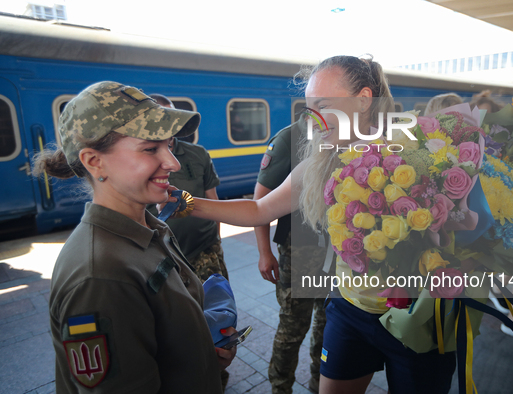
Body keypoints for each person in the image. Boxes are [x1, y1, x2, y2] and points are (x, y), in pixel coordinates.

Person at [168, 55, 457, 394]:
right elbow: (259, 209)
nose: (313, 118)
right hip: (351, 311)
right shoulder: (320, 163)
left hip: (417, 316)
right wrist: (184, 203)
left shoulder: (419, 155)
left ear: (364, 99)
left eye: (324, 105)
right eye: (309, 107)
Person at [35, 81, 236, 393]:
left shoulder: (149, 227)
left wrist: (202, 358)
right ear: (94, 161)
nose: (173, 162)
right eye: (150, 148)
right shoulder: (100, 276)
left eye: (169, 145)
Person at [254, 115, 327, 393]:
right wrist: (264, 252)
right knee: (293, 328)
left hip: (337, 253)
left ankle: (320, 382)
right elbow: (260, 201)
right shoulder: (290, 137)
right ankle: (280, 386)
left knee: (327, 324)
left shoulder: (348, 135)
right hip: (299, 252)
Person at [148, 94, 228, 283]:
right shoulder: (138, 163)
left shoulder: (198, 154)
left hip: (205, 249)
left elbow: (213, 199)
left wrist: (216, 239)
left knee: (215, 305)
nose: (172, 164)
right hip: (161, 255)